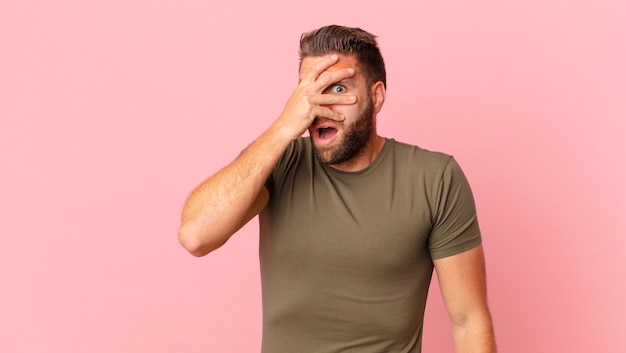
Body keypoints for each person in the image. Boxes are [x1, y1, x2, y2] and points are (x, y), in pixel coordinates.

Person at [178, 25, 496, 353]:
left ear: (376, 96)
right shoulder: (277, 161)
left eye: (338, 89)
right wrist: (284, 125)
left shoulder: (435, 178)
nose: (321, 106)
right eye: (310, 91)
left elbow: (468, 320)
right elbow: (196, 236)